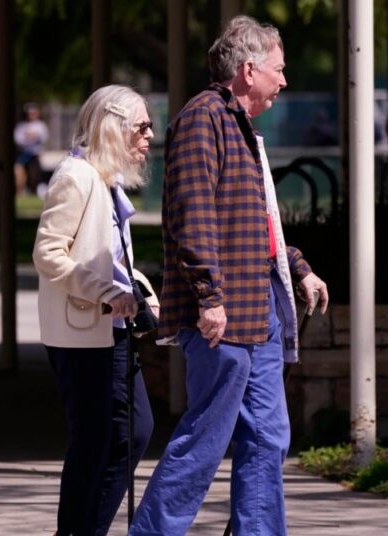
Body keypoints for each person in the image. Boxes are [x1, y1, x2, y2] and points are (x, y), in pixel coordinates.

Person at [128, 16, 329, 536]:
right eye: (278, 69)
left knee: (268, 437)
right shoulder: (203, 119)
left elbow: (254, 222)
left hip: (256, 308)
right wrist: (208, 297)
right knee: (206, 439)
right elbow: (194, 215)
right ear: (248, 69)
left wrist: (299, 268)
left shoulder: (243, 127)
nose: (284, 81)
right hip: (222, 313)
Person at [33, 84, 160, 536]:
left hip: (113, 327)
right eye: (141, 127)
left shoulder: (106, 179)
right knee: (93, 441)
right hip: (82, 332)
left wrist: (141, 293)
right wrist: (106, 292)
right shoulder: (76, 176)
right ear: (112, 128)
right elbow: (49, 254)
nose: (150, 136)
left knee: (134, 431)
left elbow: (111, 256)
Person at [14, 102, 49, 196]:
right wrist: (31, 137)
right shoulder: (21, 126)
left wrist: (31, 136)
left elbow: (43, 137)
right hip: (24, 153)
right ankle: (20, 192)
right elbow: (18, 139)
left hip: (35, 153)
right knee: (19, 171)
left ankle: (34, 191)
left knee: (34, 175)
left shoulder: (40, 125)